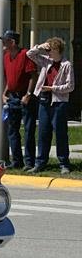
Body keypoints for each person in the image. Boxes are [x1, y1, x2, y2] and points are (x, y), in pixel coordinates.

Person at [26, 37, 75, 174]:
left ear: (57, 50)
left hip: (58, 102)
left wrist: (53, 88)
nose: (48, 53)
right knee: (43, 132)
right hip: (44, 100)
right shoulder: (46, 61)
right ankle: (40, 162)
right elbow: (29, 54)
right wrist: (41, 46)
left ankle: (64, 163)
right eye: (47, 51)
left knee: (60, 133)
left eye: (51, 50)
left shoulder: (66, 65)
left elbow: (70, 86)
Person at [0, 30, 38, 170]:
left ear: (13, 42)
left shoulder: (25, 55)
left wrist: (28, 94)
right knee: (12, 130)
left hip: (25, 97)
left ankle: (29, 162)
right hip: (12, 97)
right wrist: (4, 94)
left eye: (5, 40)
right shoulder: (6, 56)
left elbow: (33, 76)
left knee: (28, 130)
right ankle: (16, 161)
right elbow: (10, 79)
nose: (3, 43)